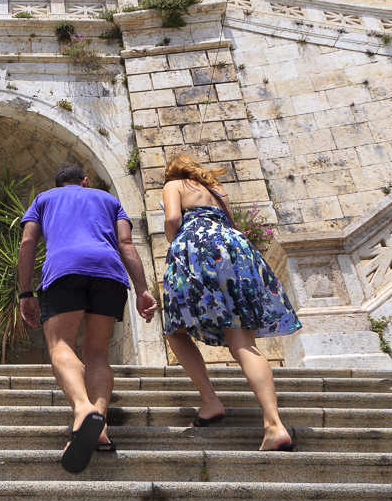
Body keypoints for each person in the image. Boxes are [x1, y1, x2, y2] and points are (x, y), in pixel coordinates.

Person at [17, 161, 158, 473]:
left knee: (60, 345)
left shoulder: (44, 199)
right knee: (97, 353)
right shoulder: (109, 201)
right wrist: (143, 290)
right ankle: (100, 426)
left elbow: (28, 242)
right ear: (84, 180)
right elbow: (125, 244)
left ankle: (82, 410)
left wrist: (25, 292)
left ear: (58, 184)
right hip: (109, 272)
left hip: (64, 270)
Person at [158, 154, 302, 451]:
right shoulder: (217, 191)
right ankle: (274, 424)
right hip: (235, 248)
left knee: (175, 330)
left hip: (197, 248)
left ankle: (210, 401)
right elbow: (232, 222)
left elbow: (173, 218)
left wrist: (175, 241)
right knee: (242, 342)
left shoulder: (174, 185)